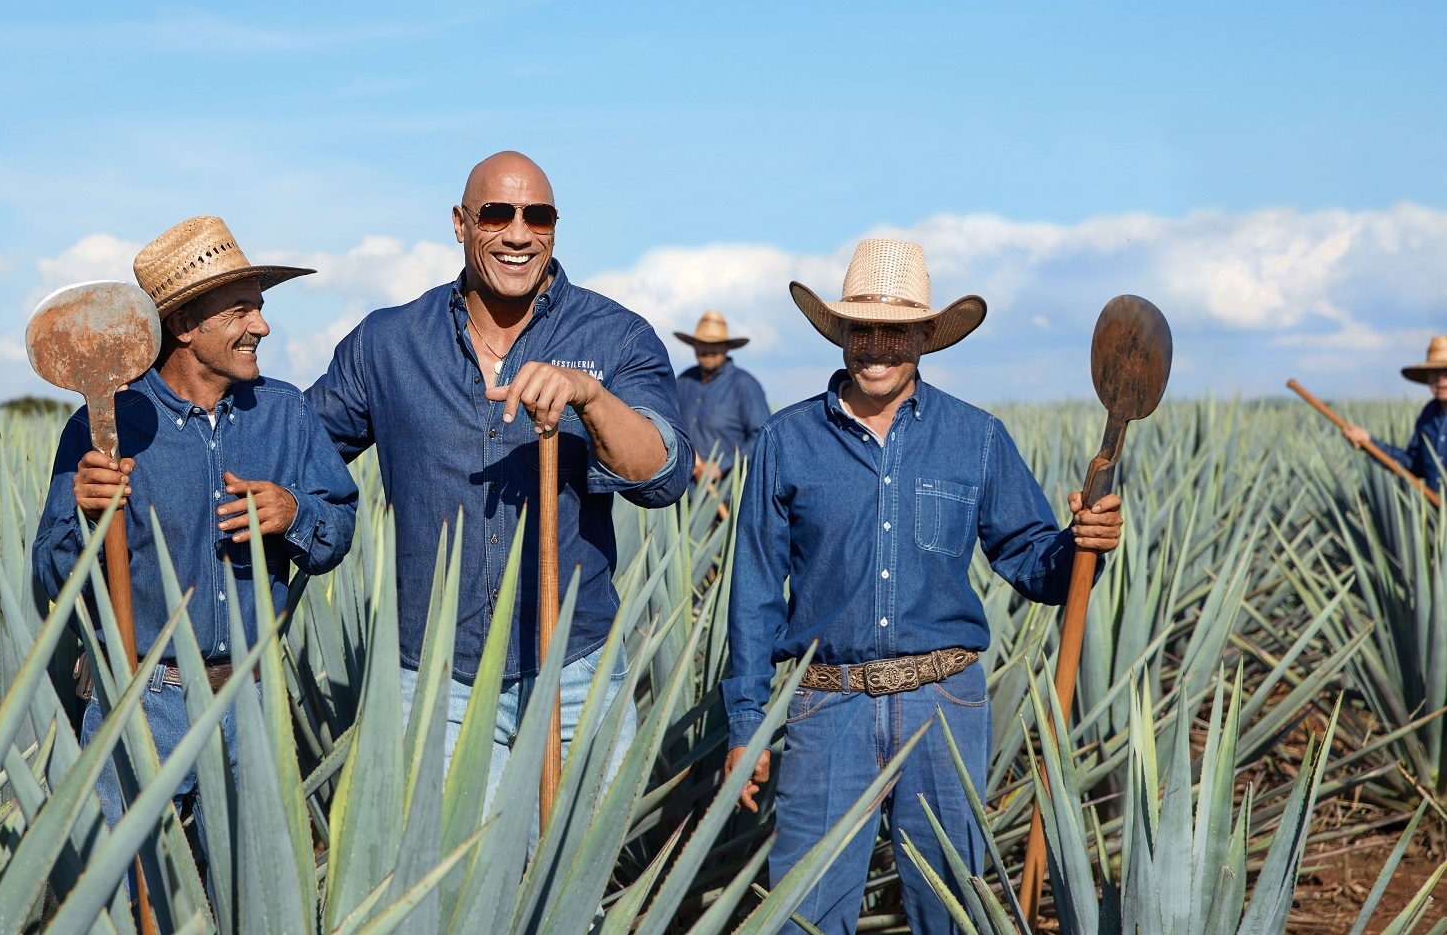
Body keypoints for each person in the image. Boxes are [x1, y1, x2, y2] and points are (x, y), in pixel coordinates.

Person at [721, 239, 1123, 935]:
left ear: (924, 339)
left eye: (896, 332)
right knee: (803, 915)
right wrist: (746, 724)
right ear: (841, 333)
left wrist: (1081, 546)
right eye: (862, 329)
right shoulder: (786, 441)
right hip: (827, 702)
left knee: (953, 910)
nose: (876, 348)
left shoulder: (977, 437)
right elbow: (754, 592)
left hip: (944, 702)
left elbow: (1031, 559)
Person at [307, 150, 695, 795]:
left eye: (537, 216)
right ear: (460, 222)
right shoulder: (390, 343)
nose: (519, 233)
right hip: (433, 677)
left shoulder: (616, 337)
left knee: (573, 891)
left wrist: (590, 398)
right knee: (447, 890)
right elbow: (299, 450)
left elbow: (663, 475)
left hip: (574, 675)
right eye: (497, 214)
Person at [32, 216, 359, 832]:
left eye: (258, 309)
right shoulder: (103, 423)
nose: (260, 326)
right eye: (240, 312)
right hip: (135, 698)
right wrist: (85, 514)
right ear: (184, 326)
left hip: (250, 698)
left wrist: (294, 515)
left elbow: (338, 527)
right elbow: (52, 571)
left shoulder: (284, 413)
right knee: (124, 899)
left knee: (246, 904)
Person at [673, 311, 771, 484]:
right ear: (694, 345)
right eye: (702, 343)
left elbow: (762, 438)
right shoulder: (682, 382)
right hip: (683, 495)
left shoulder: (745, 385)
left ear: (726, 347)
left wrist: (720, 466)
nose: (708, 350)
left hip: (726, 494)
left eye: (715, 344)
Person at [1341, 335, 1447, 493]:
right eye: (1434, 371)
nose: (1440, 379)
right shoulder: (1428, 415)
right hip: (1438, 515)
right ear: (1427, 377)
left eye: (1445, 371)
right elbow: (1413, 463)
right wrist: (1369, 442)